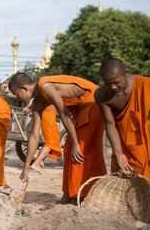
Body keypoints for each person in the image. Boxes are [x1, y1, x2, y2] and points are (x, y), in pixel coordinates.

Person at [8, 72, 106, 204]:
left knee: (81, 150)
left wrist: (76, 144)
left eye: (16, 93)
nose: (17, 97)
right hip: (77, 109)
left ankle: (82, 195)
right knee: (68, 150)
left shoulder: (45, 85)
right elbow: (34, 136)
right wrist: (26, 169)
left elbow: (64, 114)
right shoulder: (38, 102)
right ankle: (68, 194)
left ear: (24, 88)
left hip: (93, 101)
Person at [95, 58, 149, 179]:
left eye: (116, 82)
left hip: (146, 139)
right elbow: (110, 124)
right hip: (123, 142)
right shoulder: (101, 95)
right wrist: (119, 154)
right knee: (124, 176)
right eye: (108, 83)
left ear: (126, 73)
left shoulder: (145, 85)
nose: (113, 87)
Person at [21, 102, 62, 177]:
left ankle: (39, 160)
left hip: (50, 112)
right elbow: (40, 98)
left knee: (52, 139)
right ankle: (36, 163)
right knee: (52, 140)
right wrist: (30, 107)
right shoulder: (48, 92)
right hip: (48, 113)